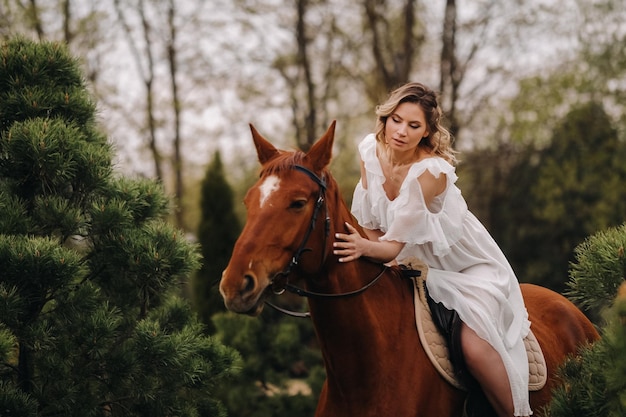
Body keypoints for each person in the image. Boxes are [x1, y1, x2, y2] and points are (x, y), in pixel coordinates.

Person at [333, 82, 532, 417]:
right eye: (397, 120)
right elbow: (370, 223)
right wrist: (366, 245)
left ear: (426, 133)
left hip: (462, 266)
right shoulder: (370, 151)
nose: (401, 132)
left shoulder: (430, 172)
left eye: (414, 126)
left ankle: (517, 413)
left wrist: (362, 247)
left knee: (475, 347)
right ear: (386, 117)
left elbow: (391, 244)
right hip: (409, 263)